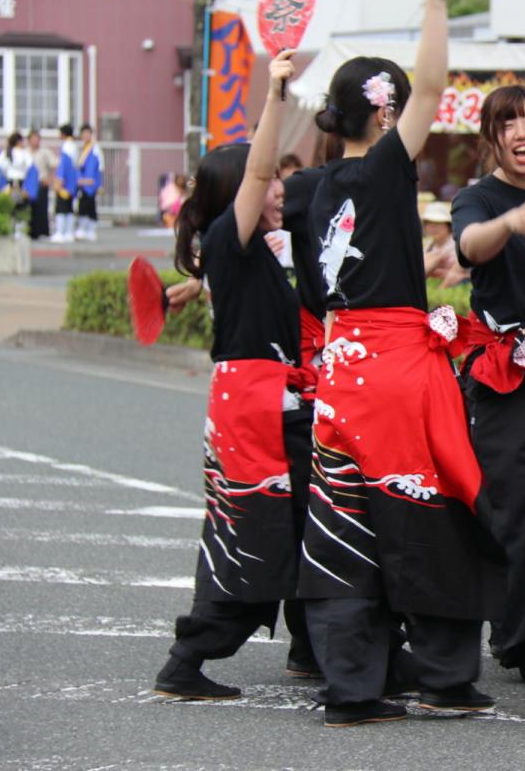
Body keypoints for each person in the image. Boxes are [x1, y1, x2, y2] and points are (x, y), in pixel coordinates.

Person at [297, 0, 504, 729]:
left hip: (339, 370)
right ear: (382, 115)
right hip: (396, 368)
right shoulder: (384, 166)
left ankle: (351, 680)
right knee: (434, 509)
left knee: (345, 514)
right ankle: (443, 675)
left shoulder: (315, 190)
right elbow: (435, 82)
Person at [153, 50, 315, 702]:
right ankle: (188, 657)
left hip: (261, 402)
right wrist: (275, 90)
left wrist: (192, 287)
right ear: (239, 191)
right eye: (271, 180)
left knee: (302, 520)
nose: (280, 188)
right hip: (256, 409)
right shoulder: (231, 235)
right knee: (259, 531)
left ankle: (314, 645)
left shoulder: (234, 250)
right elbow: (255, 172)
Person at [449, 84, 525, 684]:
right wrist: (512, 221)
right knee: (520, 502)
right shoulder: (480, 198)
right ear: (491, 137)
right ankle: (522, 636)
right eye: (508, 123)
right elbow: (469, 245)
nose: (522, 132)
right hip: (504, 376)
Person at [422, 200, 467, 286]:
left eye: (437, 223)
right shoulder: (427, 245)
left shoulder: (459, 245)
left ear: (448, 225)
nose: (432, 228)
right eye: (429, 223)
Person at [26, 130, 56, 240]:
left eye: (37, 138)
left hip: (41, 182)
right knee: (30, 208)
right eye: (33, 138)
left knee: (42, 208)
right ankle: (30, 231)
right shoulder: (26, 152)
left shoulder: (44, 152)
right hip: (29, 184)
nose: (36, 141)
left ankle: (42, 231)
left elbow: (54, 164)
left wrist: (50, 179)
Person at [51, 125, 80, 243]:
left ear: (63, 134)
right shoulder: (74, 146)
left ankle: (60, 232)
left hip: (65, 183)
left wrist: (59, 181)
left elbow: (63, 166)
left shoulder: (66, 147)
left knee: (61, 209)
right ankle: (69, 232)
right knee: (69, 209)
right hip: (72, 183)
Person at [75, 124, 103, 242]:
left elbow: (99, 167)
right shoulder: (83, 149)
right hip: (83, 183)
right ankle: (83, 229)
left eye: (88, 133)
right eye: (84, 133)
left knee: (90, 206)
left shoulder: (95, 149)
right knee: (83, 206)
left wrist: (98, 183)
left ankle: (90, 230)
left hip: (91, 183)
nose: (86, 136)